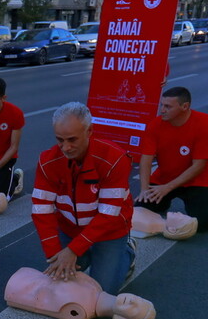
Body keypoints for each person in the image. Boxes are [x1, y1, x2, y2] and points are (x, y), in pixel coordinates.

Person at [31, 102, 135, 295]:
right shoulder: (47, 161)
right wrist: (55, 254)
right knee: (59, 280)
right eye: (59, 140)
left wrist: (73, 251)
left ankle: (127, 253)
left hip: (109, 231)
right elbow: (41, 210)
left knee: (102, 292)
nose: (66, 147)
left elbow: (108, 215)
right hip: (70, 228)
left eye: (72, 139)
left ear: (89, 131)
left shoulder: (114, 159)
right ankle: (87, 254)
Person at [136, 86, 208, 231]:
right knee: (139, 211)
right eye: (162, 105)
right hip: (165, 178)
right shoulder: (155, 124)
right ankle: (162, 202)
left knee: (201, 223)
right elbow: (146, 159)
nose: (162, 110)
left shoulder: (204, 123)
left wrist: (166, 188)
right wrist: (144, 189)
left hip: (196, 180)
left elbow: (199, 165)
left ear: (184, 106)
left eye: (168, 106)